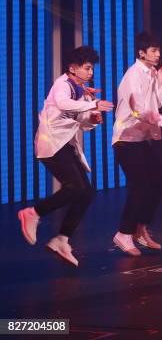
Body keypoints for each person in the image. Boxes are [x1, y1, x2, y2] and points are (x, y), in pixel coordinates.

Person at [17, 46, 114, 266]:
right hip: (50, 143)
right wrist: (93, 103)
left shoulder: (82, 90)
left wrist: (93, 120)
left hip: (65, 144)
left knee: (86, 192)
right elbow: (62, 104)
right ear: (72, 68)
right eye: (87, 68)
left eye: (92, 68)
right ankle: (33, 212)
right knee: (75, 187)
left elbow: (82, 121)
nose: (91, 72)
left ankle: (62, 239)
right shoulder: (62, 85)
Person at [112, 32, 162, 256]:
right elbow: (141, 111)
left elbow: (157, 102)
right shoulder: (134, 75)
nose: (158, 55)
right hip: (126, 138)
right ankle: (123, 233)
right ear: (141, 52)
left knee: (159, 183)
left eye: (158, 50)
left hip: (140, 138)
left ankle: (140, 228)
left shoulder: (151, 73)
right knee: (140, 186)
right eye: (153, 51)